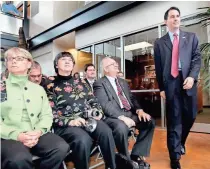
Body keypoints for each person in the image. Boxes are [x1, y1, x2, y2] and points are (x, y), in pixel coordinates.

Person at [1, 47, 69, 169]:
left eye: (19, 58)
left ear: (29, 64)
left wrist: (38, 131)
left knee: (61, 147)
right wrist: (17, 135)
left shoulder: (38, 89)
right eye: (10, 59)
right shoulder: (2, 88)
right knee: (18, 158)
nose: (13, 61)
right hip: (8, 136)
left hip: (36, 132)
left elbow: (46, 115)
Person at [46, 52, 116, 169]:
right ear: (56, 65)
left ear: (73, 65)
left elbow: (93, 101)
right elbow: (50, 112)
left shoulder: (81, 83)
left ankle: (111, 166)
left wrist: (97, 112)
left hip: (86, 120)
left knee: (105, 131)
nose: (68, 61)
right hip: (65, 125)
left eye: (70, 60)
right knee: (83, 140)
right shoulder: (50, 85)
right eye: (63, 59)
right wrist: (71, 121)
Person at [154, 7, 201, 169]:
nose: (176, 19)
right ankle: (175, 157)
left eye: (178, 16)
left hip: (187, 80)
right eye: (172, 17)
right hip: (171, 83)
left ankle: (180, 142)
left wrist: (192, 77)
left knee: (191, 115)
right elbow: (159, 67)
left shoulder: (191, 37)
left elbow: (196, 59)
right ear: (166, 21)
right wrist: (161, 88)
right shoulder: (160, 43)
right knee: (174, 120)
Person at [93, 57, 155, 167]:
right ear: (106, 69)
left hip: (129, 113)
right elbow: (105, 105)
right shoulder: (99, 83)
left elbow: (131, 98)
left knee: (149, 121)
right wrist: (122, 117)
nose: (116, 64)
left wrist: (139, 110)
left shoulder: (122, 82)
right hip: (113, 117)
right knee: (121, 127)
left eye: (115, 63)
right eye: (113, 64)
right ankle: (125, 159)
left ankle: (136, 154)